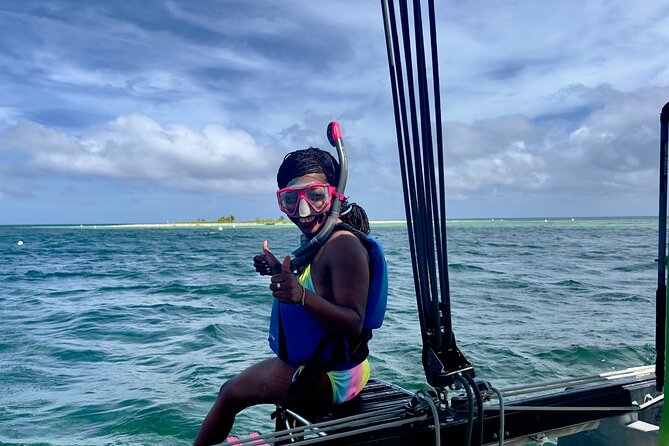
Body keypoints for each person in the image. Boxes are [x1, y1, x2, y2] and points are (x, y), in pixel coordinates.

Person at [193, 147, 384, 446]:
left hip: (334, 378)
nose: (303, 211)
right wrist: (276, 271)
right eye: (291, 201)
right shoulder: (319, 240)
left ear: (335, 195)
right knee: (281, 385)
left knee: (229, 394)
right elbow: (317, 288)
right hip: (331, 369)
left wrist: (302, 296)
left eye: (316, 196)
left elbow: (354, 323)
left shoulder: (342, 245)